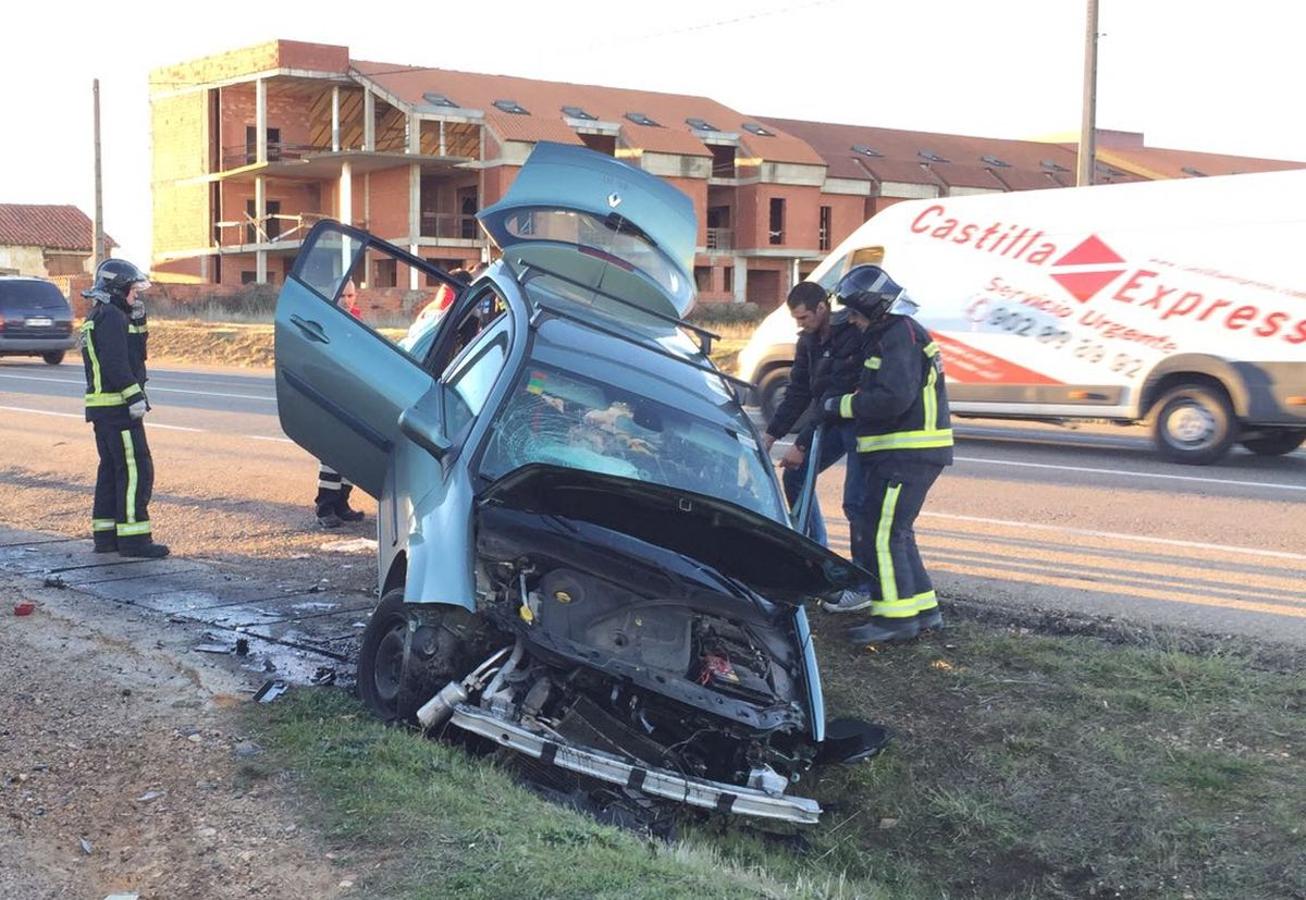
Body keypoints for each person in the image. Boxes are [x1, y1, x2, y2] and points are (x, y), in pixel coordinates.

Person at [819, 265, 952, 643]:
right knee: (899, 533)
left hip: (904, 454)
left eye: (857, 315)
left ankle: (894, 619)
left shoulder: (898, 335)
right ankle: (924, 610)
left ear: (874, 308)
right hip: (908, 453)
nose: (855, 322)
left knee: (881, 533)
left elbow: (893, 398)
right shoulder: (898, 332)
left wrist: (839, 405)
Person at [761, 281, 868, 555]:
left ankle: (851, 571)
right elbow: (798, 392)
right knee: (796, 476)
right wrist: (771, 435)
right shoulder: (807, 340)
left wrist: (802, 445)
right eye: (796, 318)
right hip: (828, 418)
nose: (801, 323)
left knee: (856, 501)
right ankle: (813, 549)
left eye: (804, 317)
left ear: (822, 308)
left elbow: (834, 394)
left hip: (855, 424)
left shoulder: (850, 335)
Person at [81, 259, 169, 558]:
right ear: (117, 290)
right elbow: (117, 363)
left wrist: (140, 320)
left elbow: (136, 352)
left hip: (104, 410)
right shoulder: (112, 318)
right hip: (118, 410)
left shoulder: (103, 314)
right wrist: (134, 398)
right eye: (132, 292)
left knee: (112, 470)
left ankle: (106, 536)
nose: (136, 296)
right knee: (135, 470)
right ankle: (134, 539)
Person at [315, 279, 365, 528]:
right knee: (331, 455)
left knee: (350, 455)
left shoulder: (357, 322)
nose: (347, 300)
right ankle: (325, 507)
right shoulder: (328, 323)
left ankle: (341, 504)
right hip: (334, 394)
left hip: (352, 394)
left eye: (351, 295)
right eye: (343, 296)